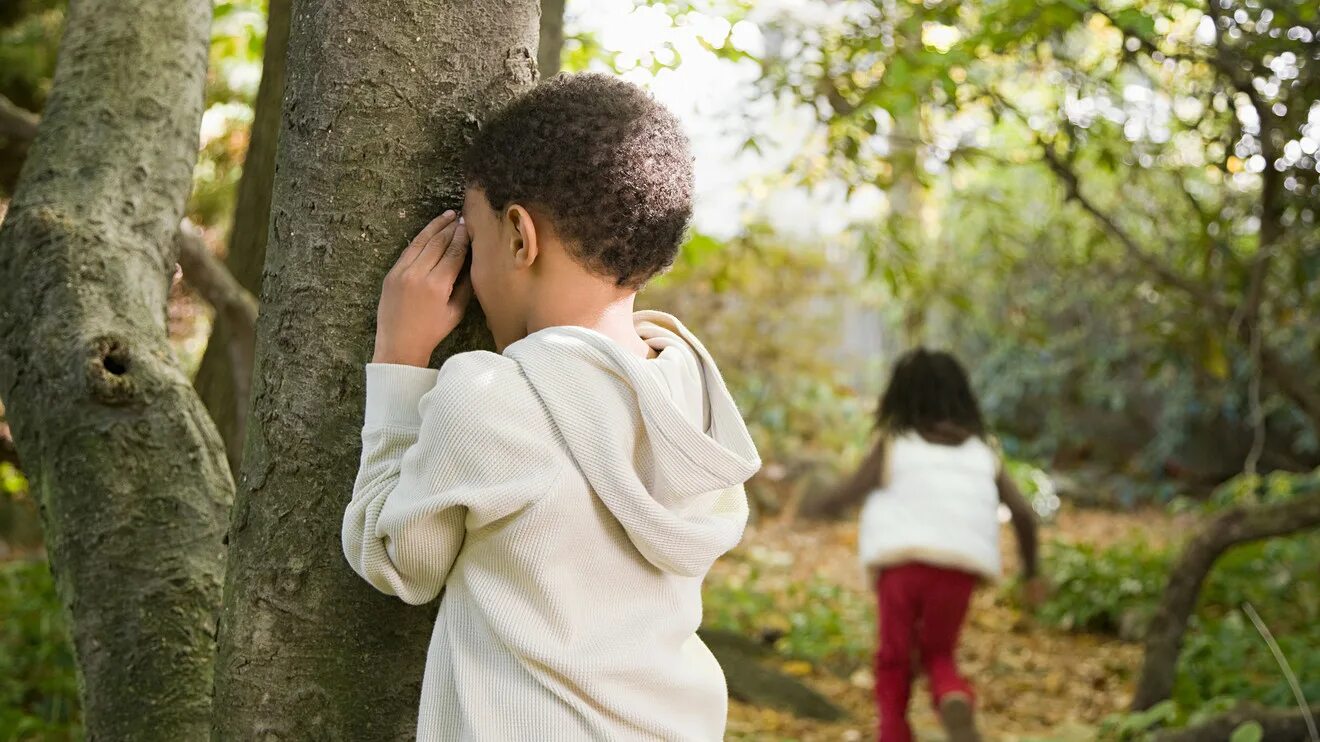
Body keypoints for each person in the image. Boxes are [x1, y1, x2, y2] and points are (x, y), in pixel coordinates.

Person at [340, 73, 761, 741]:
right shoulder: (688, 390)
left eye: (472, 244)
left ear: (518, 237)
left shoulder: (492, 398)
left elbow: (397, 560)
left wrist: (398, 361)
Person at [811, 348, 1043, 742]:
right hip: (959, 566)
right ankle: (954, 695)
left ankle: (895, 732)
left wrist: (816, 504)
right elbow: (1022, 513)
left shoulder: (895, 443)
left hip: (901, 565)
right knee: (939, 652)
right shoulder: (983, 451)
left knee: (893, 657)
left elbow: (851, 490)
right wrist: (1033, 572)